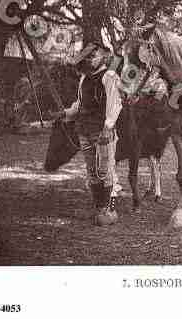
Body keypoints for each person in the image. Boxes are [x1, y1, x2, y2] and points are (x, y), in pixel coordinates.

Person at [53, 43, 123, 226]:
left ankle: (108, 210)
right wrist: (66, 113)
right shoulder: (84, 78)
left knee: (105, 170)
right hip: (83, 130)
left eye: (94, 56)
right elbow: (79, 104)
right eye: (87, 57)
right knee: (92, 171)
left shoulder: (109, 76)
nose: (90, 60)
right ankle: (99, 208)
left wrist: (107, 129)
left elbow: (115, 105)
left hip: (102, 132)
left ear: (101, 57)